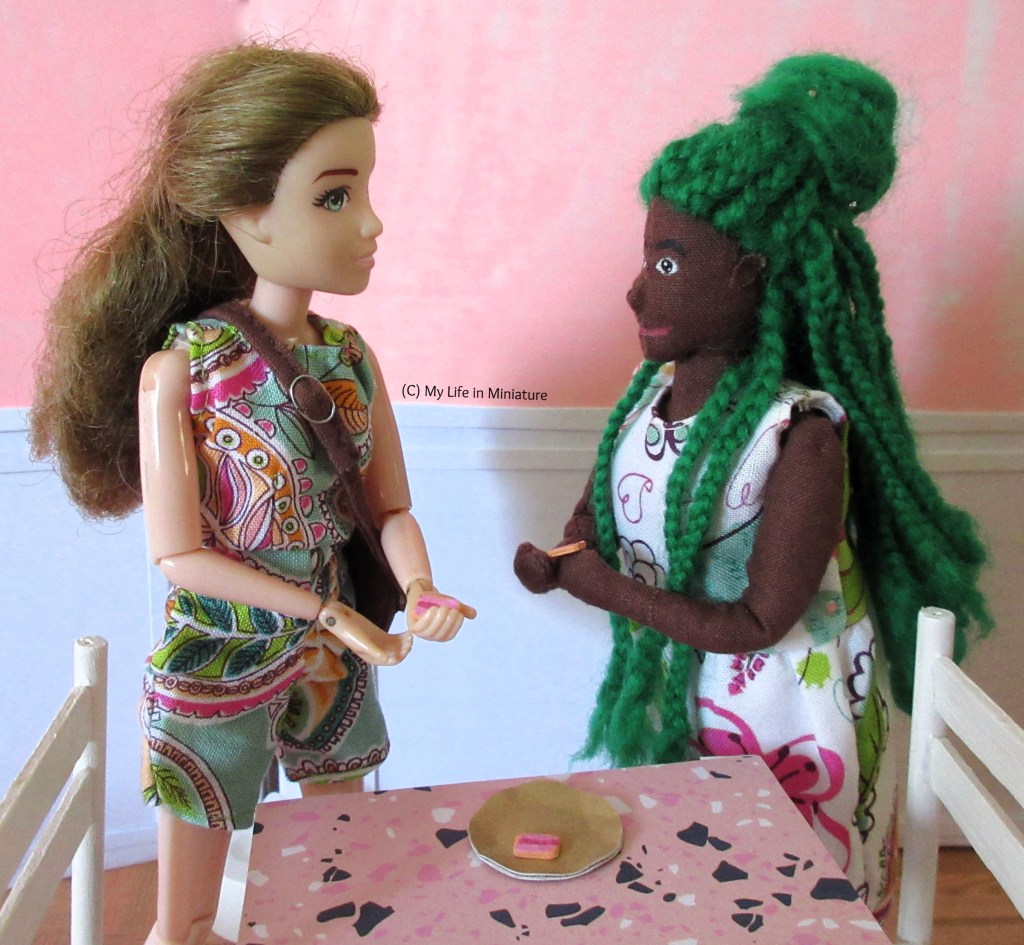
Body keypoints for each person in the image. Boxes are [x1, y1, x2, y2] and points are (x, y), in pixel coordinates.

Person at [515, 53, 990, 915]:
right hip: (682, 701)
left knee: (791, 903)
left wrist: (603, 587)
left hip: (788, 726)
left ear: (753, 272)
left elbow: (758, 621)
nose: (633, 288)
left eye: (668, 261)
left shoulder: (799, 437)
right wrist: (559, 559)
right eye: (648, 256)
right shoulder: (647, 401)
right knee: (695, 890)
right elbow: (595, 518)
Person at [30, 42, 473, 945]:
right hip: (219, 655)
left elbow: (389, 508)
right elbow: (179, 552)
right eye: (334, 196)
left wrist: (418, 588)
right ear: (245, 213)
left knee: (336, 865)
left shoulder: (349, 358)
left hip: (332, 652)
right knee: (185, 914)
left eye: (363, 191)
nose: (372, 223)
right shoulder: (183, 373)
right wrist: (329, 613)